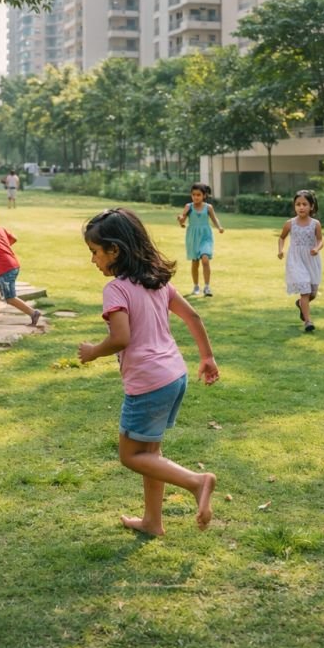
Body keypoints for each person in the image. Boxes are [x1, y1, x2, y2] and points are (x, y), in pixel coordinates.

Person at [78, 207, 218, 535]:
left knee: (130, 455)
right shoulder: (157, 282)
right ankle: (153, 521)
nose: (94, 260)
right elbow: (193, 317)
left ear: (115, 250)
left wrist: (93, 352)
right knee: (150, 452)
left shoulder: (116, 289)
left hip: (149, 383)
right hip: (174, 375)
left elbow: (120, 337)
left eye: (95, 252)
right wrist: (207, 357)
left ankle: (197, 483)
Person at [278, 189, 324, 332]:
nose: (301, 207)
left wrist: (317, 248)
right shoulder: (290, 223)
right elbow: (282, 237)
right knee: (305, 290)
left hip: (311, 259)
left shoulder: (315, 224)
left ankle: (301, 304)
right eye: (298, 204)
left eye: (304, 204)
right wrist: (280, 250)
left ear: (311, 206)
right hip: (296, 260)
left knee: (312, 293)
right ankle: (308, 322)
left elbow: (320, 240)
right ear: (294, 206)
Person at [176, 182, 225, 296]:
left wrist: (219, 227)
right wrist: (180, 219)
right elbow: (182, 221)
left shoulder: (208, 207)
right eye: (194, 195)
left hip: (205, 236)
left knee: (205, 259)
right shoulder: (188, 207)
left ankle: (207, 287)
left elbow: (214, 219)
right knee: (195, 262)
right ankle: (196, 286)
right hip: (193, 236)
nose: (196, 197)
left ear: (204, 196)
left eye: (198, 195)